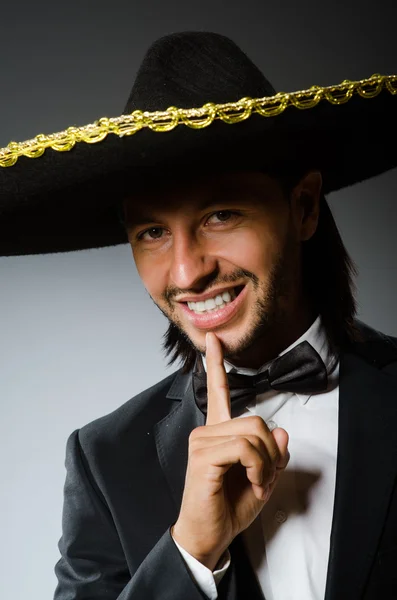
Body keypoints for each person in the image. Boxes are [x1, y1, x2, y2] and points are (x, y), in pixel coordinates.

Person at [1, 32, 397, 600]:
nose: (187, 274)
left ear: (304, 208)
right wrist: (190, 552)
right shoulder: (105, 460)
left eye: (221, 214)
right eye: (153, 232)